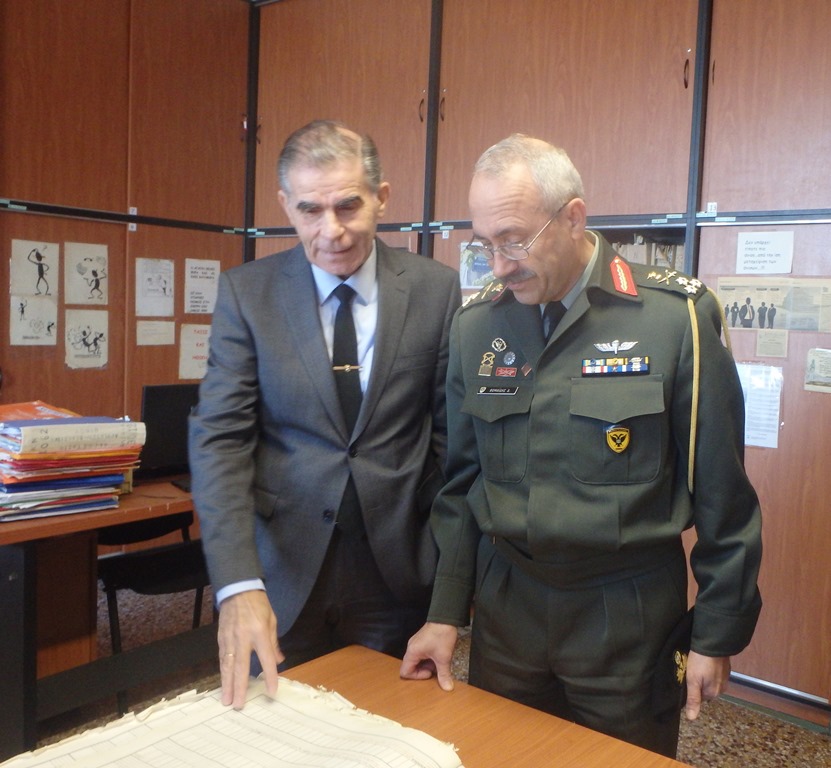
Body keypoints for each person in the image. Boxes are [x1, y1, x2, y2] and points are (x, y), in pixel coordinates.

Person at [400, 134, 762, 758]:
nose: (498, 265)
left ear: (573, 217)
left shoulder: (673, 317)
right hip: (508, 609)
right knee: (502, 755)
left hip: (626, 614)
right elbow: (461, 485)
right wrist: (444, 612)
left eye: (514, 240)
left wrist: (715, 632)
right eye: (484, 245)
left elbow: (722, 492)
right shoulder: (477, 325)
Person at [190, 120, 462, 710]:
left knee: (397, 727)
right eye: (310, 210)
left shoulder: (436, 290)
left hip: (397, 571)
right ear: (285, 204)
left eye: (348, 206)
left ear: (381, 197)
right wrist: (237, 583)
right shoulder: (248, 295)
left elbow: (451, 446)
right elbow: (221, 443)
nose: (331, 231)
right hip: (281, 572)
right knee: (277, 728)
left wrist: (446, 591)